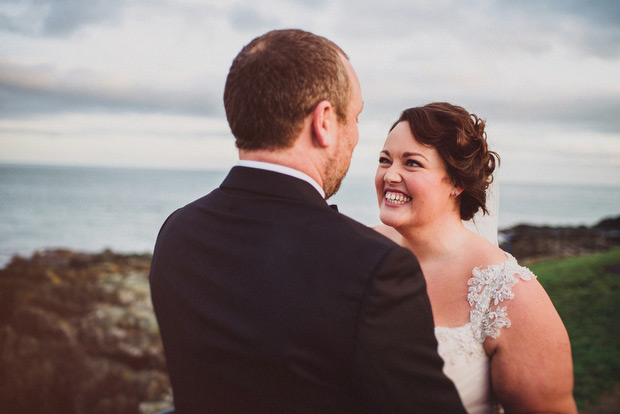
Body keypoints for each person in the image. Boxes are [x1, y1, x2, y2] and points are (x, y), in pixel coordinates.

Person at [149, 30, 466, 413]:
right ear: (325, 121)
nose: (355, 138)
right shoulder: (374, 267)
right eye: (356, 118)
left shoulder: (178, 232)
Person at [374, 102, 577, 413]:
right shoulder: (363, 249)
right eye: (384, 160)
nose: (390, 175)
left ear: (457, 182)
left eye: (412, 163)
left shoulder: (508, 294)